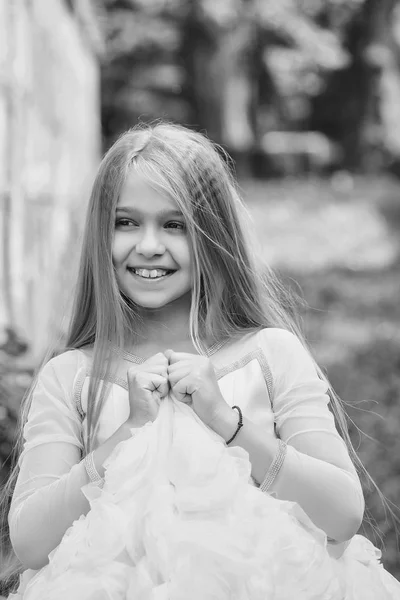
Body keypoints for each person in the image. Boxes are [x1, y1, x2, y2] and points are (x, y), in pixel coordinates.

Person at [1, 122, 399, 598]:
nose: (148, 245)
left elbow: (342, 516)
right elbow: (29, 544)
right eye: (125, 222)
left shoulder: (270, 354)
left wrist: (226, 423)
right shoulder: (70, 376)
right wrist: (126, 435)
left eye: (175, 224)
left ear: (212, 234)